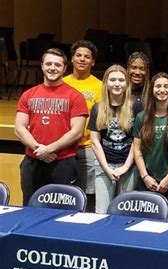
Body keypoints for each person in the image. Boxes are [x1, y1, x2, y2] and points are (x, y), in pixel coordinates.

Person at [15, 48, 88, 205]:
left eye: (57, 64)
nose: (52, 68)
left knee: (60, 211)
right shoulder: (28, 94)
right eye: (48, 64)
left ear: (64, 68)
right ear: (42, 66)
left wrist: (49, 149)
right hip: (32, 162)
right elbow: (19, 128)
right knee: (30, 207)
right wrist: (40, 150)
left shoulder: (75, 96)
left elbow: (76, 132)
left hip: (62, 163)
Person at [88, 65, 142, 213]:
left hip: (129, 166)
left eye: (121, 80)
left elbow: (138, 141)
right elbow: (95, 142)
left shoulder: (136, 105)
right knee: (102, 213)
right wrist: (106, 168)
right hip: (104, 165)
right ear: (106, 83)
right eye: (112, 80)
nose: (117, 84)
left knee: (124, 212)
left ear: (127, 84)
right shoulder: (97, 108)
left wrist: (125, 167)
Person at [133, 72, 168, 220]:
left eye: (166, 86)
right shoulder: (142, 117)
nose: (162, 90)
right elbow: (137, 150)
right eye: (158, 86)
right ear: (152, 90)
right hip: (147, 179)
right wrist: (145, 176)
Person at [63, 40, 102, 212]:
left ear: (92, 62)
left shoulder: (100, 86)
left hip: (87, 147)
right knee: (65, 193)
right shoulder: (61, 83)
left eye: (87, 57)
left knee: (90, 194)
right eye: (78, 55)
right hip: (63, 147)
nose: (82, 59)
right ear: (72, 59)